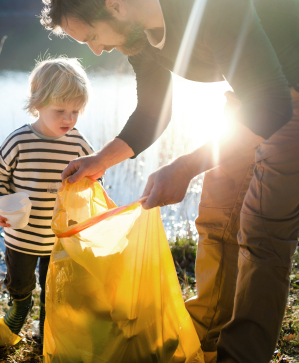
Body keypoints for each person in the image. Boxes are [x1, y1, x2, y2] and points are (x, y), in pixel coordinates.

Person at [39, 0, 299, 362]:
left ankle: (241, 356)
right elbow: (153, 109)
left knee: (261, 232)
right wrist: (101, 160)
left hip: (286, 94)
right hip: (254, 94)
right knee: (218, 215)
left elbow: (273, 107)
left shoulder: (212, 8)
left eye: (94, 36)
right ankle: (203, 339)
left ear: (115, 4)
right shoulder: (135, 33)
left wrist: (186, 166)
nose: (96, 50)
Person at [0, 57, 96, 343]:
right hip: (21, 234)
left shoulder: (79, 144)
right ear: (37, 104)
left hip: (60, 238)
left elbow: (94, 179)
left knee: (54, 288)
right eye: (60, 110)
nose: (69, 119)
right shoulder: (20, 140)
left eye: (75, 111)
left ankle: (47, 327)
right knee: (19, 282)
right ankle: (21, 306)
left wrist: (88, 190)